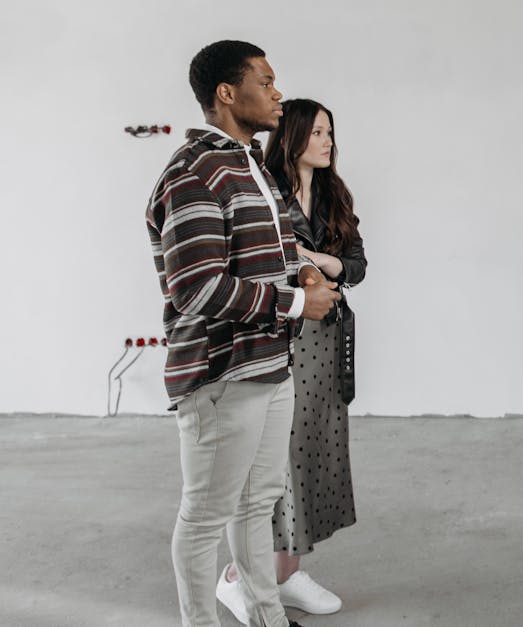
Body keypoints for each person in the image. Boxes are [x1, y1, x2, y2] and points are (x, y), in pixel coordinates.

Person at [145, 39, 339, 627]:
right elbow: (198, 291)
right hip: (220, 375)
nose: (278, 94)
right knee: (205, 516)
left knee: (256, 505)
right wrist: (296, 301)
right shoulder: (190, 174)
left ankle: (265, 616)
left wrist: (302, 268)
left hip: (269, 367)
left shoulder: (251, 163)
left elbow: (277, 248)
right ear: (227, 94)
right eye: (266, 81)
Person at [217, 98, 366, 619]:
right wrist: (317, 270)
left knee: (316, 453)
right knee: (276, 463)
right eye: (319, 131)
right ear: (296, 135)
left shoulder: (332, 193)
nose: (328, 141)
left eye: (331, 131)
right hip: (282, 336)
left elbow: (356, 265)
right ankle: (241, 577)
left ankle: (287, 572)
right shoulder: (267, 189)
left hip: (326, 341)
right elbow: (263, 260)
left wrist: (322, 261)